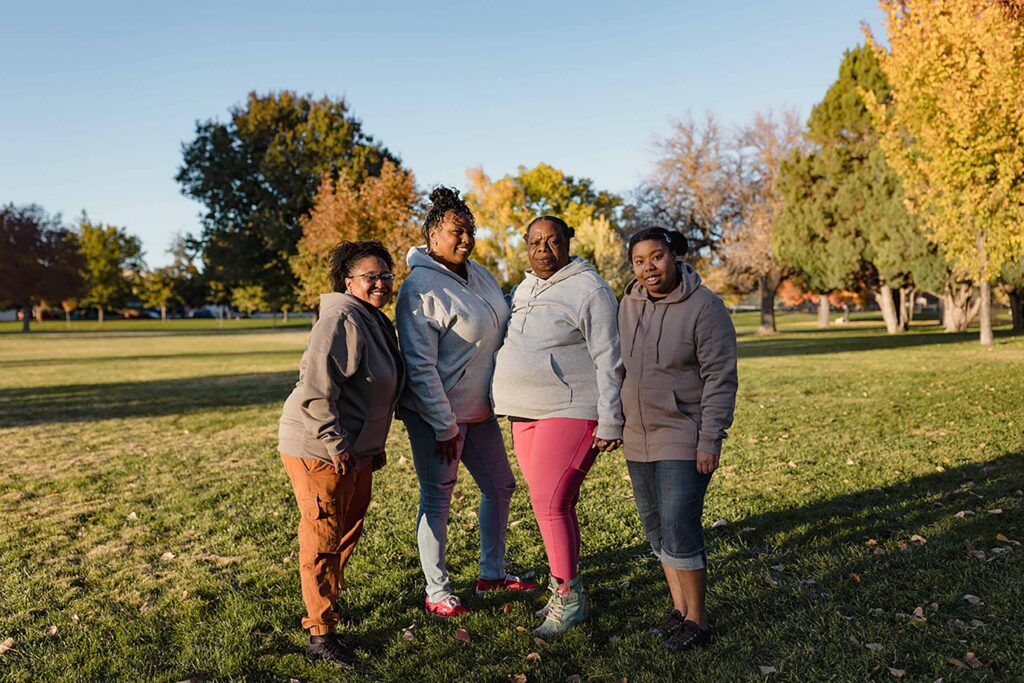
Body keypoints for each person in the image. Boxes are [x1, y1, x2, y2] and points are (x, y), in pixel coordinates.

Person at [396, 186, 538, 618]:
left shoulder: (478, 274)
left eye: (469, 231)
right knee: (438, 499)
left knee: (500, 486)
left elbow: (502, 315)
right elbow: (420, 367)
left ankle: (491, 574)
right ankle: (436, 591)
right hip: (437, 418)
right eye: (456, 231)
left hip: (479, 412)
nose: (465, 239)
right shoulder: (418, 290)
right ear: (432, 235)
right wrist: (443, 425)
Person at [491, 215, 624, 637]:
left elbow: (610, 357)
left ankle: (569, 598)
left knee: (551, 504)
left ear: (568, 241)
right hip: (525, 412)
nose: (542, 250)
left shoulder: (590, 289)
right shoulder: (526, 286)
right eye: (534, 242)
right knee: (549, 505)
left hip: (571, 409)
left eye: (551, 241)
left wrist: (611, 418)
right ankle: (564, 590)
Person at [277, 240, 404, 668]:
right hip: (320, 446)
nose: (381, 283)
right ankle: (320, 634)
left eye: (387, 275)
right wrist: (336, 443)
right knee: (323, 536)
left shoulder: (372, 318)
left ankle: (326, 606)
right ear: (348, 281)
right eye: (371, 276)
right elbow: (316, 391)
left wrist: (369, 447)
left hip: (355, 448)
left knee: (346, 531)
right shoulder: (340, 317)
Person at [618, 227, 738, 652]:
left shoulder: (705, 307)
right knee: (656, 531)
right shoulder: (628, 305)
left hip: (683, 434)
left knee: (679, 526)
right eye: (639, 261)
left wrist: (710, 439)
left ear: (675, 256)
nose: (648, 267)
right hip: (638, 436)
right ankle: (679, 611)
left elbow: (720, 378)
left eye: (657, 257)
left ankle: (699, 621)